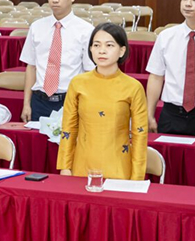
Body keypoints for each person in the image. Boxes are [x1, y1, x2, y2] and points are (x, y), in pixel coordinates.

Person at [57, 23, 147, 180]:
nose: (102, 51)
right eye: (96, 45)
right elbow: (68, 128)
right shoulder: (78, 83)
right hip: (82, 167)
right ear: (90, 49)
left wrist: (137, 177)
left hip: (119, 169)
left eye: (109, 45)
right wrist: (65, 167)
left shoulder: (133, 87)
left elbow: (140, 135)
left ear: (122, 51)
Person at [20, 0, 94, 122]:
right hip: (39, 100)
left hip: (70, 100)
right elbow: (31, 67)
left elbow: (89, 72)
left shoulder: (86, 30)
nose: (54, 0)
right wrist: (26, 104)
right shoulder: (36, 27)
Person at [146, 0, 195, 135]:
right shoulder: (166, 37)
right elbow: (156, 77)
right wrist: (149, 114)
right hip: (172, 115)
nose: (188, 4)